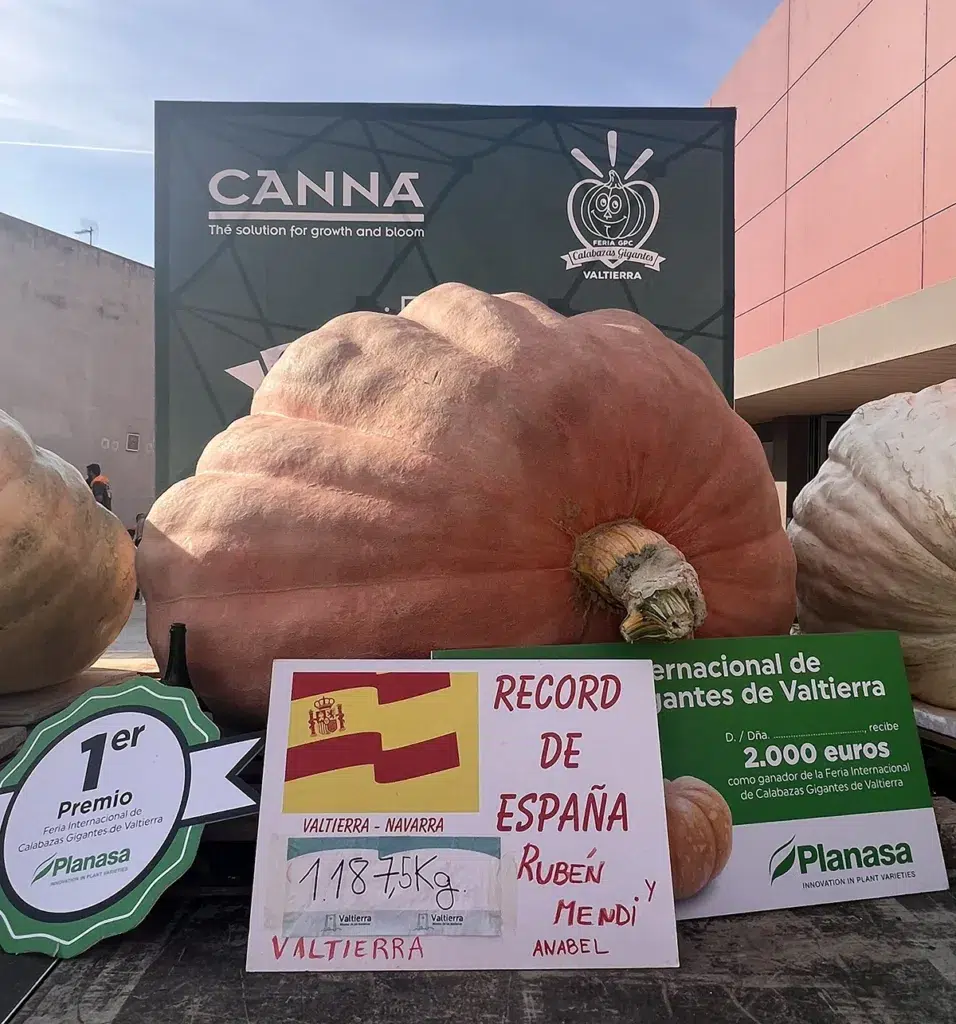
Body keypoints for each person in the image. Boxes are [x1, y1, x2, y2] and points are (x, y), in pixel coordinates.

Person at [133, 513, 146, 601]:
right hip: (143, 540)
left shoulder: (138, 524)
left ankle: (136, 593)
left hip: (139, 540)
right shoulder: (145, 522)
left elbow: (135, 537)